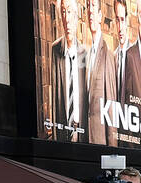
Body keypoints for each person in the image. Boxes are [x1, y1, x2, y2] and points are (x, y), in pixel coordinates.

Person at [49, 0, 85, 142]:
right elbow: (54, 94)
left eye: (69, 12)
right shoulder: (55, 49)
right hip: (62, 128)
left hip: (80, 129)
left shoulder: (84, 53)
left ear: (76, 17)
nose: (67, 18)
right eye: (63, 12)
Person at [83, 0, 117, 145]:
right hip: (86, 141)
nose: (90, 12)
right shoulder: (88, 53)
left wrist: (113, 149)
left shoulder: (107, 55)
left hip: (101, 142)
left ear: (100, 15)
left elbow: (111, 107)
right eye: (88, 7)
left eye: (94, 8)